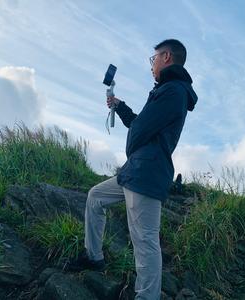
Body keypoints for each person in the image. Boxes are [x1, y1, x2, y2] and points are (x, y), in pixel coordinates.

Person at [75, 39, 198, 299]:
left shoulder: (174, 91)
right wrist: (120, 107)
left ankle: (147, 296)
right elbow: (141, 123)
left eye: (153, 59)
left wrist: (132, 139)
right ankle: (94, 257)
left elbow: (140, 129)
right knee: (95, 197)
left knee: (145, 241)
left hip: (147, 173)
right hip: (135, 170)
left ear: (166, 57)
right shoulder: (166, 90)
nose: (151, 65)